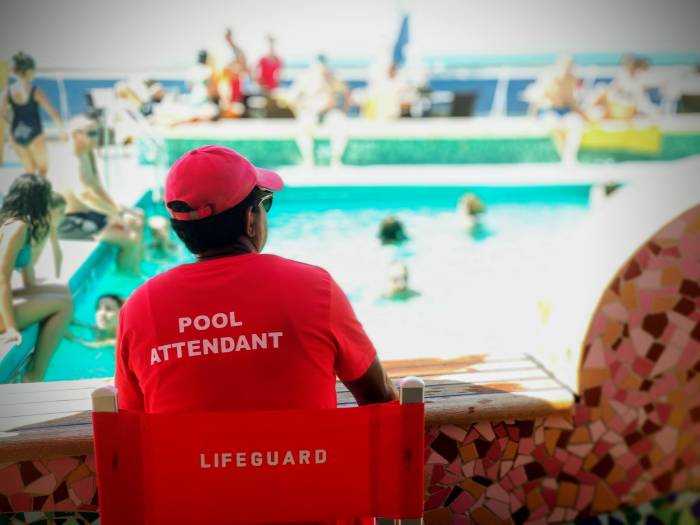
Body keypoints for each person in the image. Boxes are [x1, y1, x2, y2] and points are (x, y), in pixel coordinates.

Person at [115, 145, 397, 420]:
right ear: (251, 219)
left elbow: (130, 424)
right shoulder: (314, 289)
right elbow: (380, 399)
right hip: (305, 466)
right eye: (264, 203)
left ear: (180, 229)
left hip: (185, 468)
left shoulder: (139, 308)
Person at [0, 173, 73, 382]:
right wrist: (11, 326)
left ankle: (58, 329)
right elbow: (2, 278)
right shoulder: (18, 226)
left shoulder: (12, 222)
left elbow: (27, 274)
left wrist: (42, 299)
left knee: (61, 292)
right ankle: (34, 374)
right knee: (63, 306)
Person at [57, 121, 144, 275]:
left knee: (138, 217)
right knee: (130, 239)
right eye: (91, 134)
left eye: (97, 132)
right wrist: (117, 215)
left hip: (88, 215)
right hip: (72, 222)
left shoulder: (86, 153)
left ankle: (138, 267)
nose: (96, 137)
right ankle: (128, 279)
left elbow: (97, 188)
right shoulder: (71, 160)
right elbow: (86, 196)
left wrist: (121, 210)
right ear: (76, 136)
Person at [0, 52, 68, 176]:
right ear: (29, 71)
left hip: (17, 134)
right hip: (35, 134)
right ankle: (40, 194)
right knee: (43, 170)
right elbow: (53, 113)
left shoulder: (7, 92)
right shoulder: (35, 91)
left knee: (29, 173)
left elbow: (2, 114)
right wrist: (62, 131)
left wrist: (10, 133)